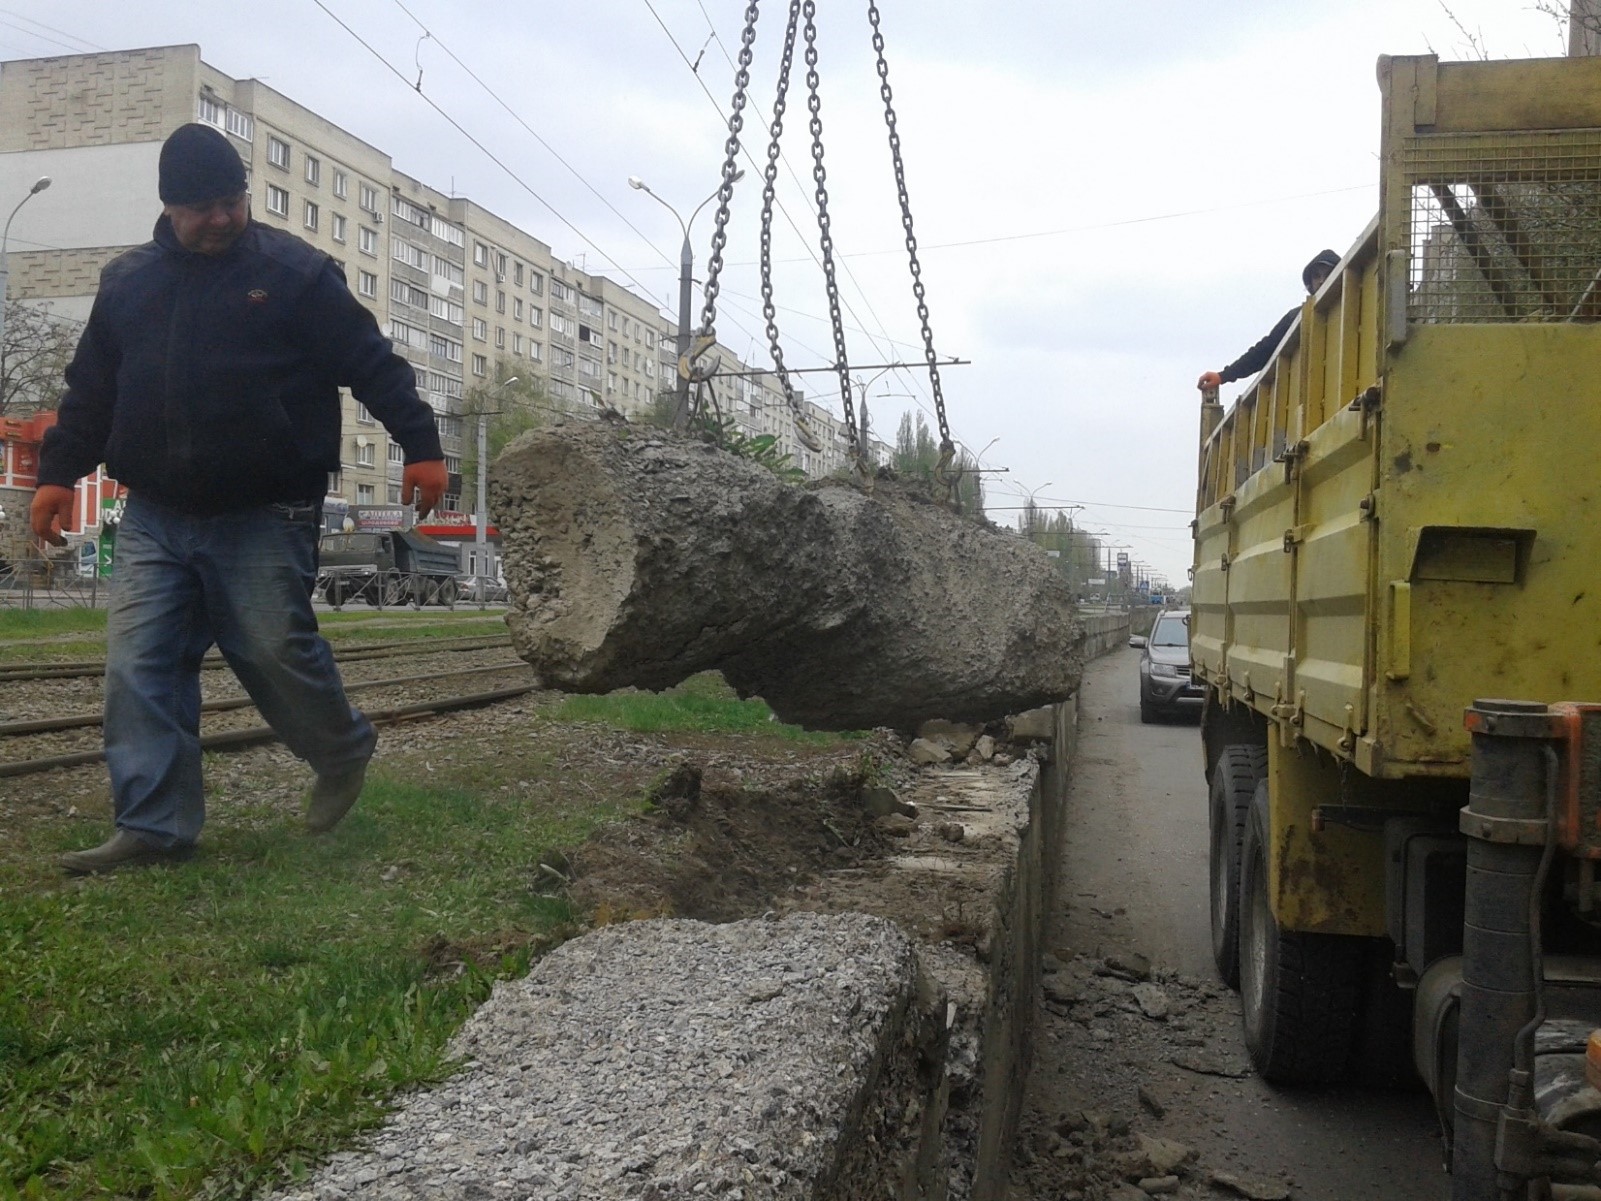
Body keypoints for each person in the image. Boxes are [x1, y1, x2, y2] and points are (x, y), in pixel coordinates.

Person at [31, 123, 448, 875]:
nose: (222, 218)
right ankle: (154, 828)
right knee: (140, 666)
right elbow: (91, 392)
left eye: (233, 201)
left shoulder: (295, 274)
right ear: (168, 207)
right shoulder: (128, 283)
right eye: (203, 207)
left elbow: (371, 363)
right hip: (156, 511)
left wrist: (420, 445)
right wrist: (58, 474)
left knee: (270, 650)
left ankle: (342, 749)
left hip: (265, 508)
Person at [1196, 249, 1340, 392]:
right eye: (1316, 276)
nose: (1322, 281)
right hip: (1316, 390)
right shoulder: (1297, 317)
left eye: (1328, 274)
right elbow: (1264, 350)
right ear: (1310, 283)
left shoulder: (1359, 303)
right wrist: (1223, 376)